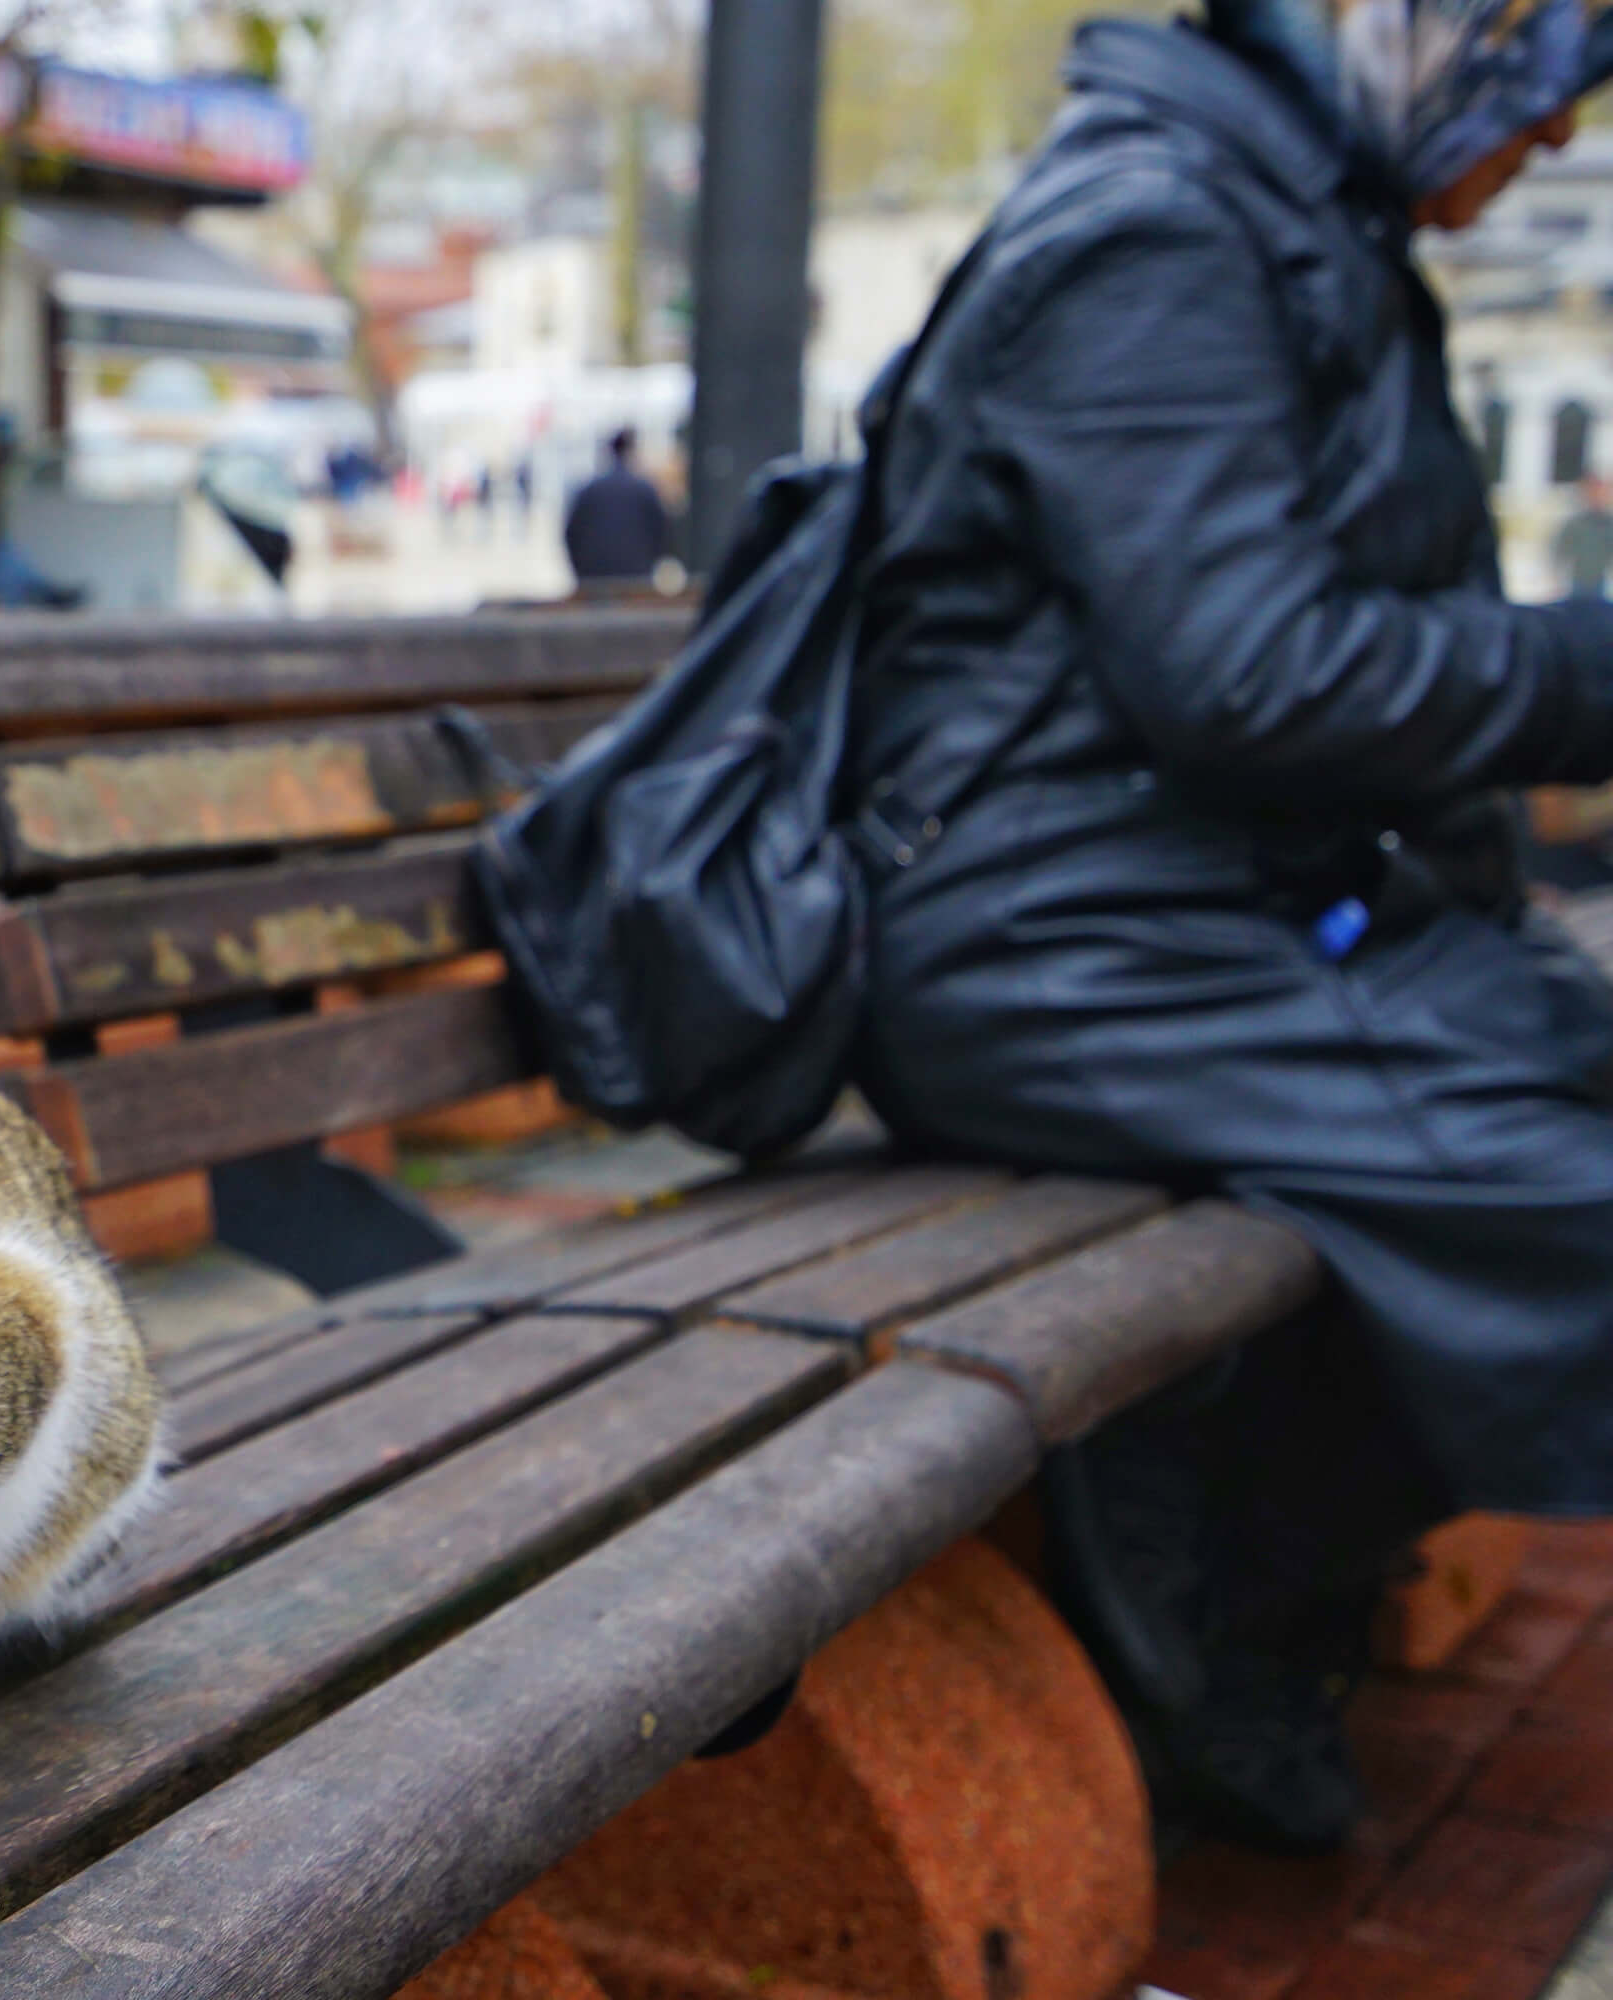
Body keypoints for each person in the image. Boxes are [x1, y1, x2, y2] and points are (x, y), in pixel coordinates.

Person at [850, 0, 1613, 1854]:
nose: (1566, 142)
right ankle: (1209, 1552)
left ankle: (1217, 1535)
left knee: (1570, 1071)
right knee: (1574, 1189)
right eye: (1558, 84)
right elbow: (1249, 675)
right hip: (1057, 948)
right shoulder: (1159, 229)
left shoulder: (1288, 212)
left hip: (1211, 919)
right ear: (1435, 35)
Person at [562, 429, 669, 585]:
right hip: (636, 573)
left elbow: (571, 532)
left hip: (593, 574)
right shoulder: (644, 489)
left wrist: (580, 568)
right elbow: (661, 532)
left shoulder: (589, 490)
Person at [1560, 476, 1613, 597]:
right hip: (1577, 580)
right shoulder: (1576, 523)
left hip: (1601, 582)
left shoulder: (1609, 524)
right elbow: (1562, 548)